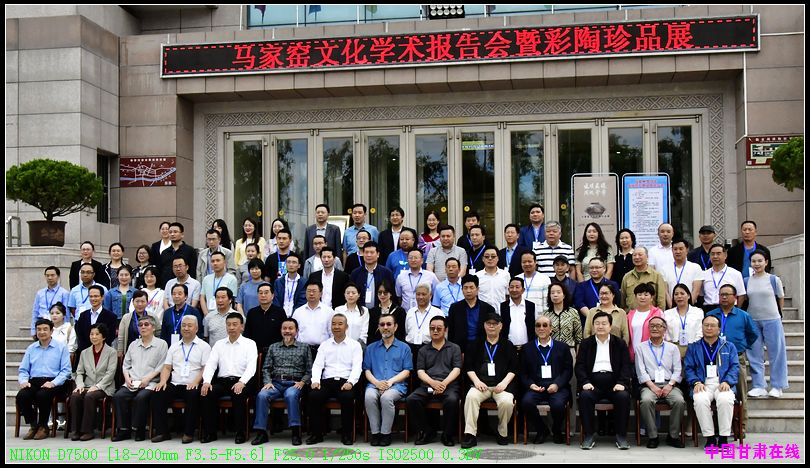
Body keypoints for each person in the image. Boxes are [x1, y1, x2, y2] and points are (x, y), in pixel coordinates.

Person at [576, 312, 633, 450]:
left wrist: (622, 382)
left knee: (623, 396)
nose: (600, 326)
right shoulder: (586, 343)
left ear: (610, 326)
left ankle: (621, 436)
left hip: (614, 384)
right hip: (592, 384)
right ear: (593, 326)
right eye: (597, 323)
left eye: (604, 323)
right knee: (585, 396)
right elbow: (580, 366)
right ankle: (589, 435)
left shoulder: (619, 343)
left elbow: (626, 366)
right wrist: (585, 382)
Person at [251, 317, 313, 446]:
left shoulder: (304, 347)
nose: (287, 331)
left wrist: (302, 382)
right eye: (284, 328)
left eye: (291, 328)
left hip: (294, 383)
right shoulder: (273, 347)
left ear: (296, 331)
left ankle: (295, 432)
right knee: (262, 395)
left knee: (291, 395)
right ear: (280, 330)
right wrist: (267, 382)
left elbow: (309, 370)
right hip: (276, 383)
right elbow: (266, 368)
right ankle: (261, 433)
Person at [461, 313, 519, 448]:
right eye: (488, 323)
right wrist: (476, 382)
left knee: (506, 402)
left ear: (501, 326)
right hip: (481, 385)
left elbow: (514, 368)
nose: (491, 326)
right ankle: (470, 435)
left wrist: (504, 383)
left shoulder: (507, 345)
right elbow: (468, 366)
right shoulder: (475, 344)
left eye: (495, 324)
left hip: (501, 386)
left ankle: (502, 432)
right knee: (471, 397)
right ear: (484, 325)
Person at [151, 315, 211, 444]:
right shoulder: (174, 346)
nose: (186, 328)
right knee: (158, 393)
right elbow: (167, 367)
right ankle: (162, 432)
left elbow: (205, 368)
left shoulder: (204, 346)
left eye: (189, 326)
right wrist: (163, 381)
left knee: (193, 395)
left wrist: (195, 382)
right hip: (175, 383)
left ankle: (188, 433)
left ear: (196, 328)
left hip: (192, 383)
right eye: (183, 325)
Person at [200, 312, 258, 444]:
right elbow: (211, 364)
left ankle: (240, 432)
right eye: (229, 324)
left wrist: (242, 382)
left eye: (235, 324)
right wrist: (206, 381)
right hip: (223, 381)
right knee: (207, 392)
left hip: (243, 380)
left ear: (242, 327)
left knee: (238, 393)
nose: (231, 327)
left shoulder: (250, 344)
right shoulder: (219, 344)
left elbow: (251, 367)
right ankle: (210, 432)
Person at [707, 284, 758, 432]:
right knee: (717, 392)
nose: (724, 297)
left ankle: (741, 426)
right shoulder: (711, 315)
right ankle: (718, 426)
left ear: (735, 297)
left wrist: (742, 346)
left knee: (740, 393)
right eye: (721, 294)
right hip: (714, 359)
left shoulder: (743, 316)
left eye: (727, 294)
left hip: (736, 358)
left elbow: (753, 334)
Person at [306, 314, 363, 445]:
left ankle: (347, 434)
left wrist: (350, 382)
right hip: (327, 381)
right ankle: (316, 434)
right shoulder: (325, 345)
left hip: (345, 381)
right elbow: (318, 365)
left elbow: (357, 367)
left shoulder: (354, 345)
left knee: (347, 397)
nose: (336, 327)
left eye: (340, 324)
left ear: (346, 327)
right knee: (314, 396)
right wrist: (315, 381)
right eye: (334, 324)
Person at [684, 315, 739, 448]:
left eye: (712, 325)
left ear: (719, 329)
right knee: (700, 400)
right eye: (706, 325)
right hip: (702, 383)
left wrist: (728, 381)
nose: (709, 328)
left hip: (722, 383)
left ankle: (723, 437)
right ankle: (710, 438)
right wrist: (696, 382)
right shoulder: (694, 347)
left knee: (725, 399)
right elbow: (688, 368)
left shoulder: (728, 346)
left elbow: (735, 367)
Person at [407, 316, 462, 447]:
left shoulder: (454, 348)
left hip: (448, 385)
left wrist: (444, 384)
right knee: (412, 399)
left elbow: (457, 369)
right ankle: (427, 432)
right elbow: (420, 371)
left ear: (445, 330)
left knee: (452, 400)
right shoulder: (423, 350)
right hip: (428, 385)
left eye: (439, 328)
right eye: (432, 328)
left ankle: (447, 434)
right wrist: (433, 383)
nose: (435, 331)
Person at [112, 315, 168, 442]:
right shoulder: (133, 344)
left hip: (151, 382)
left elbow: (162, 366)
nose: (143, 327)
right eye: (140, 325)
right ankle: (123, 430)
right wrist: (127, 378)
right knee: (118, 396)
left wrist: (148, 379)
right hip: (132, 381)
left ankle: (139, 429)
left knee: (141, 398)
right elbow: (126, 365)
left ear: (153, 327)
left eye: (146, 324)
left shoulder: (161, 344)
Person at [634, 317, 686, 448]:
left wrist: (670, 385)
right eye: (652, 326)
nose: (654, 328)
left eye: (658, 326)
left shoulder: (673, 348)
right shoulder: (640, 347)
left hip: (669, 384)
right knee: (646, 401)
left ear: (664, 329)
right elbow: (640, 370)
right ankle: (653, 436)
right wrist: (652, 386)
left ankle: (673, 436)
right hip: (649, 385)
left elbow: (678, 370)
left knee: (679, 401)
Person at [17, 318, 72, 440]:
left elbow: (66, 371)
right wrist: (24, 381)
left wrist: (53, 383)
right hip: (35, 381)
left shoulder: (61, 347)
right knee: (22, 395)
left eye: (45, 329)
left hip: (55, 381)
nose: (42, 332)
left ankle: (43, 427)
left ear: (51, 331)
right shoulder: (31, 348)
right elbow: (23, 369)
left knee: (42, 395)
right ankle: (33, 425)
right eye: (39, 329)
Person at [521, 315, 573, 445]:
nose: (541, 328)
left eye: (545, 325)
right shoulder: (527, 348)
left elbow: (567, 371)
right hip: (536, 387)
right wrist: (531, 385)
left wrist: (557, 384)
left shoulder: (562, 347)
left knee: (558, 405)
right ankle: (541, 430)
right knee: (526, 402)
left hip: (557, 387)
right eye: (538, 325)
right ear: (534, 329)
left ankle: (556, 430)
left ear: (551, 329)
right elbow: (522, 372)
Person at [363, 314, 413, 447]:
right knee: (369, 396)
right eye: (382, 324)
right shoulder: (370, 348)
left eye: (389, 324)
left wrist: (390, 382)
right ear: (378, 327)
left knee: (386, 398)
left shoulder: (404, 348)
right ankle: (375, 433)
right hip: (375, 384)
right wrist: (377, 383)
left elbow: (407, 371)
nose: (385, 327)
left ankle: (385, 434)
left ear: (395, 327)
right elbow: (367, 370)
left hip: (396, 386)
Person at [744, 250, 787, 398]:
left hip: (772, 319)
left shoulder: (774, 279)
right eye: (754, 261)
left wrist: (779, 315)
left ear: (766, 262)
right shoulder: (746, 280)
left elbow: (780, 297)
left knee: (776, 352)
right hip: (753, 321)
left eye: (760, 261)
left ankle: (777, 386)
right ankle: (759, 385)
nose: (756, 264)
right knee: (754, 354)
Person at [69, 323, 116, 441]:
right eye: (91, 334)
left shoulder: (111, 352)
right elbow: (79, 372)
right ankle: (76, 430)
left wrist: (98, 386)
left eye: (97, 334)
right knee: (75, 396)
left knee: (90, 396)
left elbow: (110, 374)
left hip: (105, 387)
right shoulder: (84, 352)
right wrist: (80, 385)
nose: (93, 337)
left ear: (103, 337)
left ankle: (88, 430)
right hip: (87, 385)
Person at [448, 275, 496, 351]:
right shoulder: (454, 308)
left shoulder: (488, 309)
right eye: (465, 288)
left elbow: (492, 332)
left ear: (477, 289)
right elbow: (451, 331)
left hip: (482, 348)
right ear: (462, 290)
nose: (468, 291)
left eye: (471, 287)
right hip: (460, 349)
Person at [404, 283, 443, 366]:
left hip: (430, 350)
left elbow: (443, 335)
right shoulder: (410, 312)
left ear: (430, 296)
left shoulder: (437, 313)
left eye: (423, 294)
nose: (420, 297)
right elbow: (407, 331)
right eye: (418, 294)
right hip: (411, 350)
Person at [291, 281, 334, 357]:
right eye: (309, 291)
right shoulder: (298, 312)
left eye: (314, 291)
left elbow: (332, 333)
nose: (311, 293)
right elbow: (294, 333)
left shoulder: (329, 312)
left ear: (320, 293)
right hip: (302, 351)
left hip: (322, 351)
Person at [700, 244, 747, 313]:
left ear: (725, 255)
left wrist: (736, 311)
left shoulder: (735, 274)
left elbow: (741, 295)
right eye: (712, 254)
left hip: (729, 309)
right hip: (709, 309)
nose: (715, 256)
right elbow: (701, 295)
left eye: (718, 254)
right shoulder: (704, 274)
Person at [626, 283, 665, 364]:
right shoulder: (630, 315)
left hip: (652, 356)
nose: (642, 297)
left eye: (646, 295)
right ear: (635, 297)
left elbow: (664, 334)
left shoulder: (658, 313)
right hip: (633, 356)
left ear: (652, 297)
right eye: (639, 295)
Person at [574, 257, 621, 324]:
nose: (594, 270)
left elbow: (617, 302)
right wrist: (593, 318)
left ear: (604, 268)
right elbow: (579, 303)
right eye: (591, 268)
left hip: (611, 322)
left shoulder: (613, 285)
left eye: (597, 267)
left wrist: (606, 319)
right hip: (589, 322)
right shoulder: (582, 286)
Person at [349, 241, 395, 309]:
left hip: (380, 310)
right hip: (360, 310)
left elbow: (392, 294)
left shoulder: (386, 273)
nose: (369, 255)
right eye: (366, 252)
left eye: (372, 252)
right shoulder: (355, 273)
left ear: (378, 254)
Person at [117, 290, 162, 358]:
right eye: (137, 301)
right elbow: (121, 337)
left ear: (147, 302)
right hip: (131, 352)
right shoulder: (126, 318)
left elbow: (158, 333)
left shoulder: (153, 317)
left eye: (142, 301)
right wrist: (120, 351)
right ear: (133, 302)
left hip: (150, 352)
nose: (140, 304)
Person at [244, 282, 286, 353]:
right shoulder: (252, 313)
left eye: (266, 293)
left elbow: (283, 333)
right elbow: (247, 334)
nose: (263, 295)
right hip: (255, 351)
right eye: (260, 293)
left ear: (272, 295)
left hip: (275, 352)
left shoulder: (280, 312)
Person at [542, 282, 583, 356]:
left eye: (558, 292)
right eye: (552, 293)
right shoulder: (545, 315)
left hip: (569, 351)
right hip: (551, 351)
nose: (555, 295)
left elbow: (578, 337)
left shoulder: (573, 312)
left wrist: (578, 356)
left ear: (564, 295)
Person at [74, 285, 116, 355]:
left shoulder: (111, 316)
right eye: (91, 296)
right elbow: (80, 335)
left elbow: (110, 337)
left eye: (96, 296)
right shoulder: (83, 315)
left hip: (103, 353)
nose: (93, 299)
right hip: (85, 353)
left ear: (102, 297)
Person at [663, 283, 704, 357]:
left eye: (682, 293)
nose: (679, 296)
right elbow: (666, 333)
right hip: (672, 349)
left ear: (688, 296)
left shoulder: (698, 312)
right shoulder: (667, 314)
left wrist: (693, 347)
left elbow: (700, 332)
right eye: (676, 294)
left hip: (693, 348)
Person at [661, 239, 703, 306]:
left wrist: (688, 307)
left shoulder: (695, 267)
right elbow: (665, 292)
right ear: (672, 251)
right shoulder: (664, 269)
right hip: (671, 306)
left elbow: (696, 291)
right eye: (675, 249)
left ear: (687, 250)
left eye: (681, 249)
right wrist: (672, 307)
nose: (678, 252)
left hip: (691, 306)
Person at [31, 266, 70, 337]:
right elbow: (35, 312)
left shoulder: (64, 293)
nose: (50, 278)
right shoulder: (40, 293)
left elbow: (66, 313)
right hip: (41, 324)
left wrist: (65, 330)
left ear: (58, 276)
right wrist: (33, 330)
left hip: (56, 326)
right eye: (47, 275)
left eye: (52, 275)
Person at [158, 222, 198, 288]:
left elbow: (193, 270)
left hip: (185, 287)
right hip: (167, 286)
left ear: (182, 234)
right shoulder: (164, 253)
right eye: (170, 232)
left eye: (175, 232)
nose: (172, 234)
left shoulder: (190, 250)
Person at [500, 277, 536, 349]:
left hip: (528, 347)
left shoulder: (531, 306)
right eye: (511, 287)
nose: (514, 290)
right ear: (508, 289)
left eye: (517, 287)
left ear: (523, 290)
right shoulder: (502, 306)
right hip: (508, 348)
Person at [199, 251, 239, 316]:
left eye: (218, 260)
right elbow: (202, 297)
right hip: (208, 315)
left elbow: (232, 300)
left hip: (225, 315)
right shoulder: (206, 278)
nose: (215, 263)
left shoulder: (231, 279)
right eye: (212, 261)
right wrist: (206, 313)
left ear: (224, 262)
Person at [368, 280, 406, 344]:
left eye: (385, 292)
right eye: (379, 292)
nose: (382, 295)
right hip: (377, 345)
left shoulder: (400, 311)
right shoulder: (372, 311)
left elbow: (401, 333)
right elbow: (370, 333)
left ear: (390, 293)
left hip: (395, 345)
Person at [475, 246, 511, 311]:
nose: (490, 258)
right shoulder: (477, 276)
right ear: (483, 259)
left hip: (501, 312)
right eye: (487, 256)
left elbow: (508, 295)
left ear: (498, 258)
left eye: (493, 256)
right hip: (483, 313)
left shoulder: (505, 275)